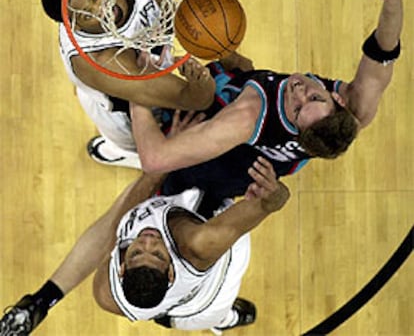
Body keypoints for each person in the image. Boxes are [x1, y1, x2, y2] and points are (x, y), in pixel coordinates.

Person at [130, 0, 404, 198]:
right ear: (338, 100)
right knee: (239, 66)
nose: (299, 93)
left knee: (129, 70)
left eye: (297, 110)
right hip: (239, 160)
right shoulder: (354, 112)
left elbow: (155, 160)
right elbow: (384, 49)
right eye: (315, 97)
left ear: (296, 129)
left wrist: (138, 88)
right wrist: (392, 0)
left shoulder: (247, 116)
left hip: (201, 164)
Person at [0, 138, 290, 334]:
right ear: (172, 270)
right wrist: (274, 193)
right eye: (158, 253)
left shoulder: (106, 293)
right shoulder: (199, 244)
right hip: (205, 299)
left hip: (166, 282)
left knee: (165, 164)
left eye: (138, 252)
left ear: (122, 267)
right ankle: (226, 321)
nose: (148, 241)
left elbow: (116, 223)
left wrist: (42, 301)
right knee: (213, 314)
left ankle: (130, 150)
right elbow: (270, 204)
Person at [41, 0, 216, 169]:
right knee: (135, 140)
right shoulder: (105, 63)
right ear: (73, 25)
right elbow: (195, 100)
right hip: (116, 103)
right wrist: (201, 83)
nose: (101, 10)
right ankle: (120, 150)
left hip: (144, 52)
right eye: (86, 15)